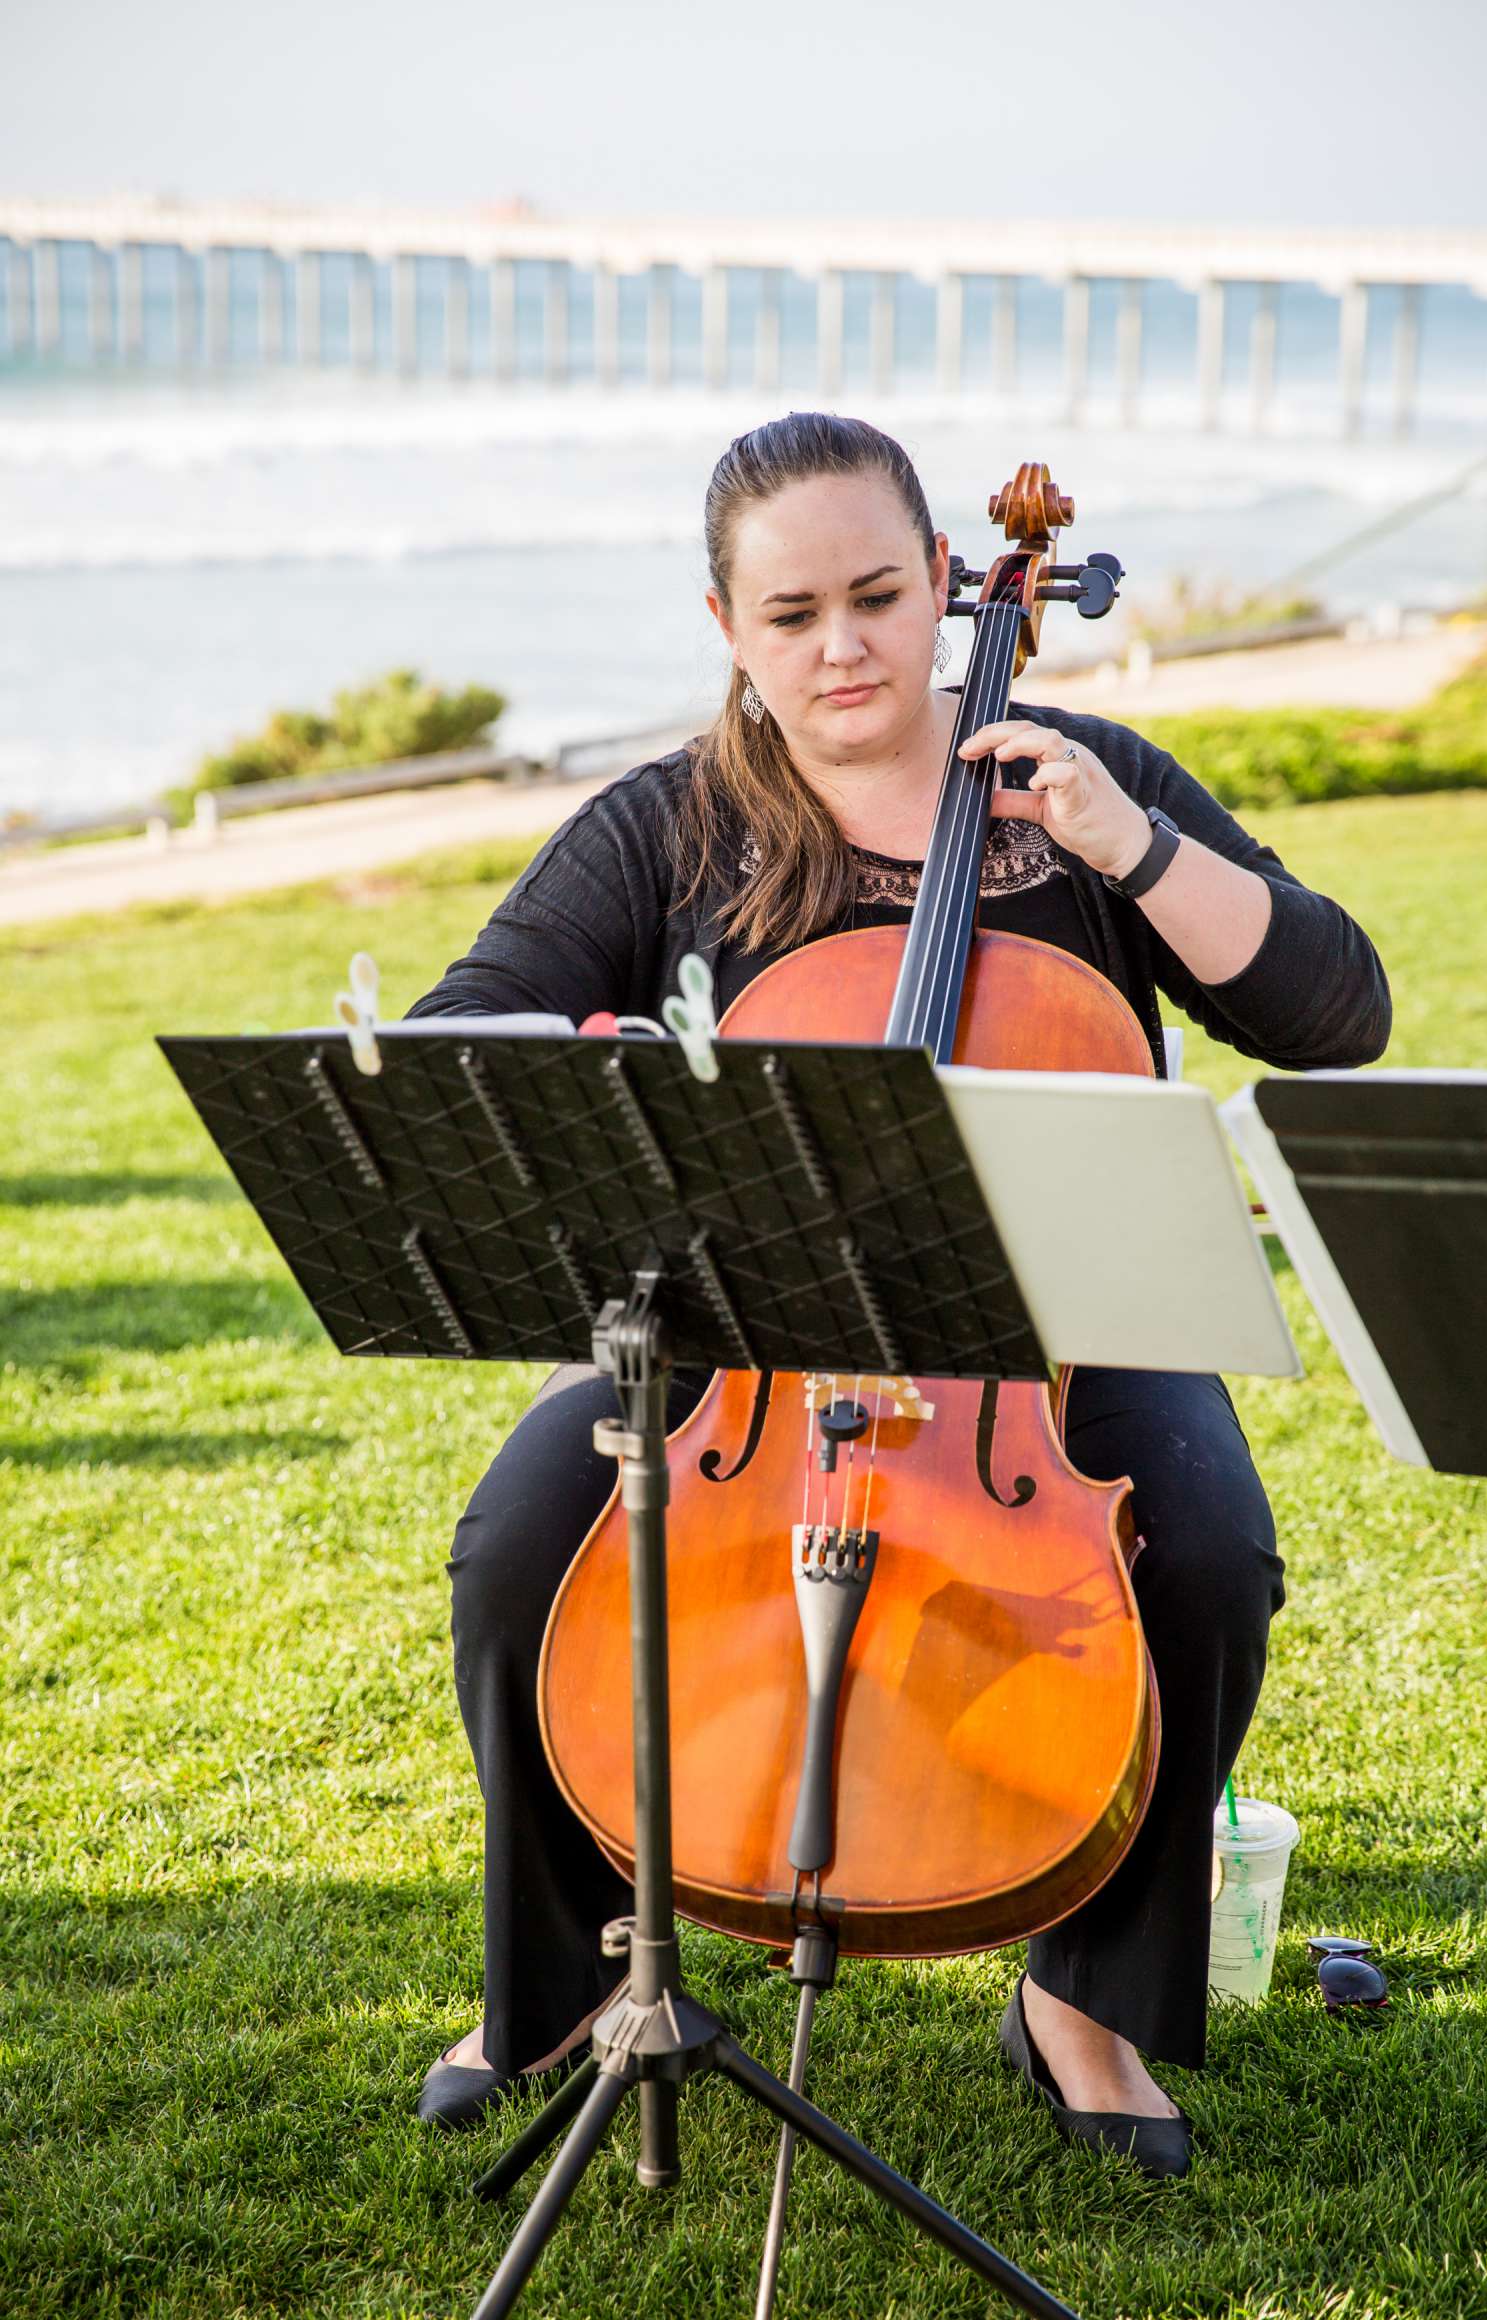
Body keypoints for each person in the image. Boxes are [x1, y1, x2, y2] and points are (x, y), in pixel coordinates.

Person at [406, 411, 1390, 2176]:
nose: (842, 644)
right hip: (746, 1364)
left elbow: (1339, 1015)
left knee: (1218, 1551)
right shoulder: (668, 826)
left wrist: (1134, 851)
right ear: (728, 627)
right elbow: (456, 1034)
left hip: (1049, 1361)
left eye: (878, 594)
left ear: (950, 583)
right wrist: (592, 1056)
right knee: (513, 1540)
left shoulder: (1077, 778)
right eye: (792, 615)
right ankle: (555, 1972)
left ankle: (1082, 1994)